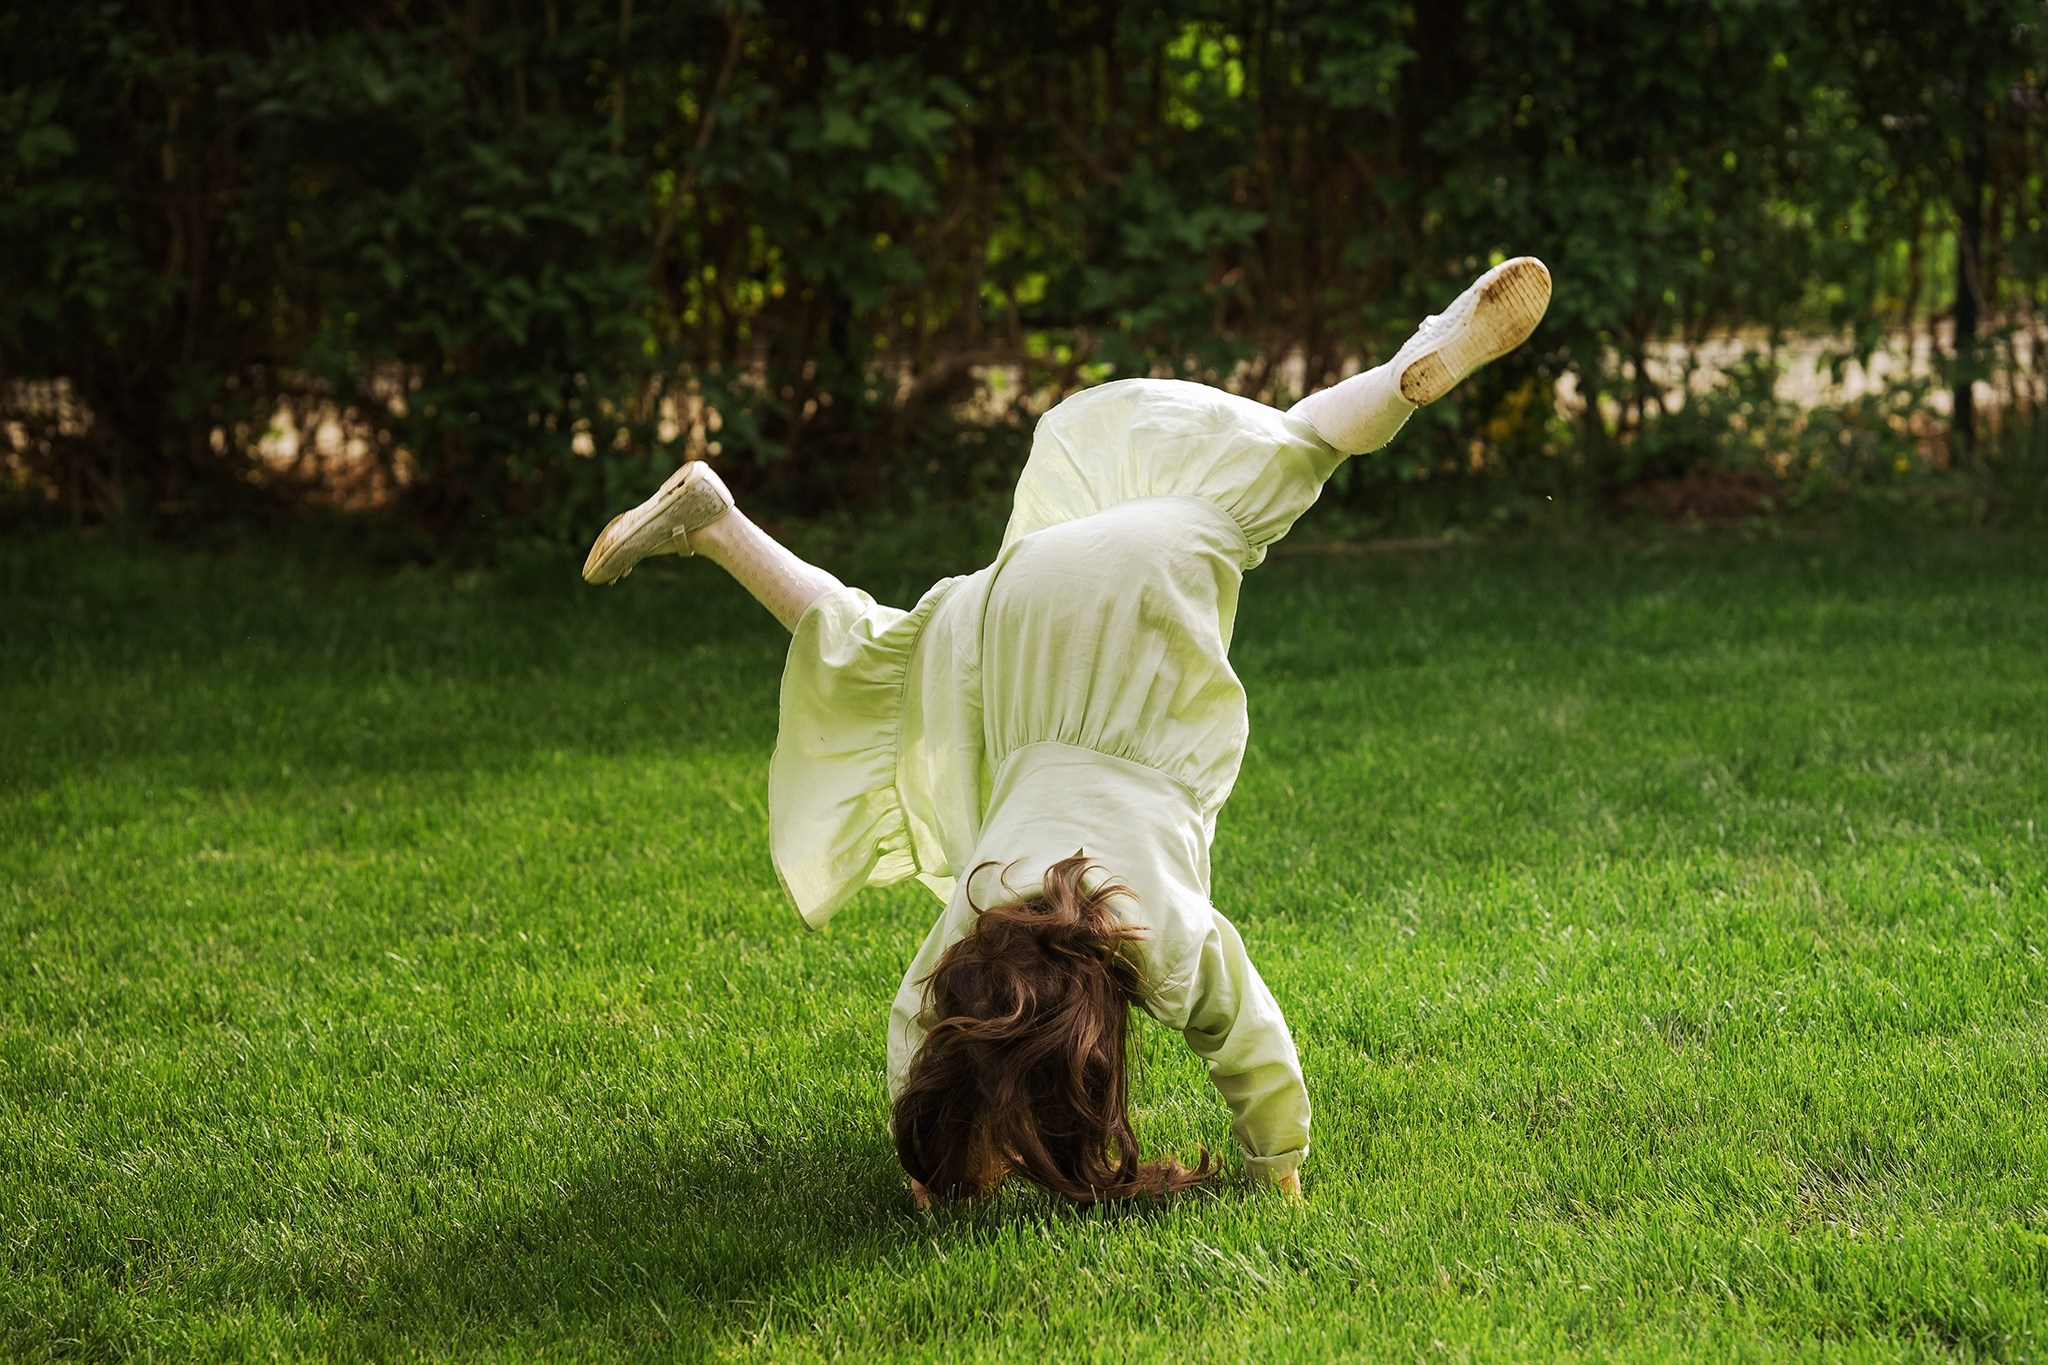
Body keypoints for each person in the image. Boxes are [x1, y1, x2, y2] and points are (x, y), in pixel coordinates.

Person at [582, 257, 1553, 1205]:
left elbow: (1247, 1037)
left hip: (1053, 622)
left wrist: (1272, 1157)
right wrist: (1269, 1171)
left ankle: (718, 525)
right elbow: (908, 1022)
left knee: (904, 655)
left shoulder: (1152, 935)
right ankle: (1404, 369)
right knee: (1287, 450)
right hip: (1058, 614)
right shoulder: (982, 905)